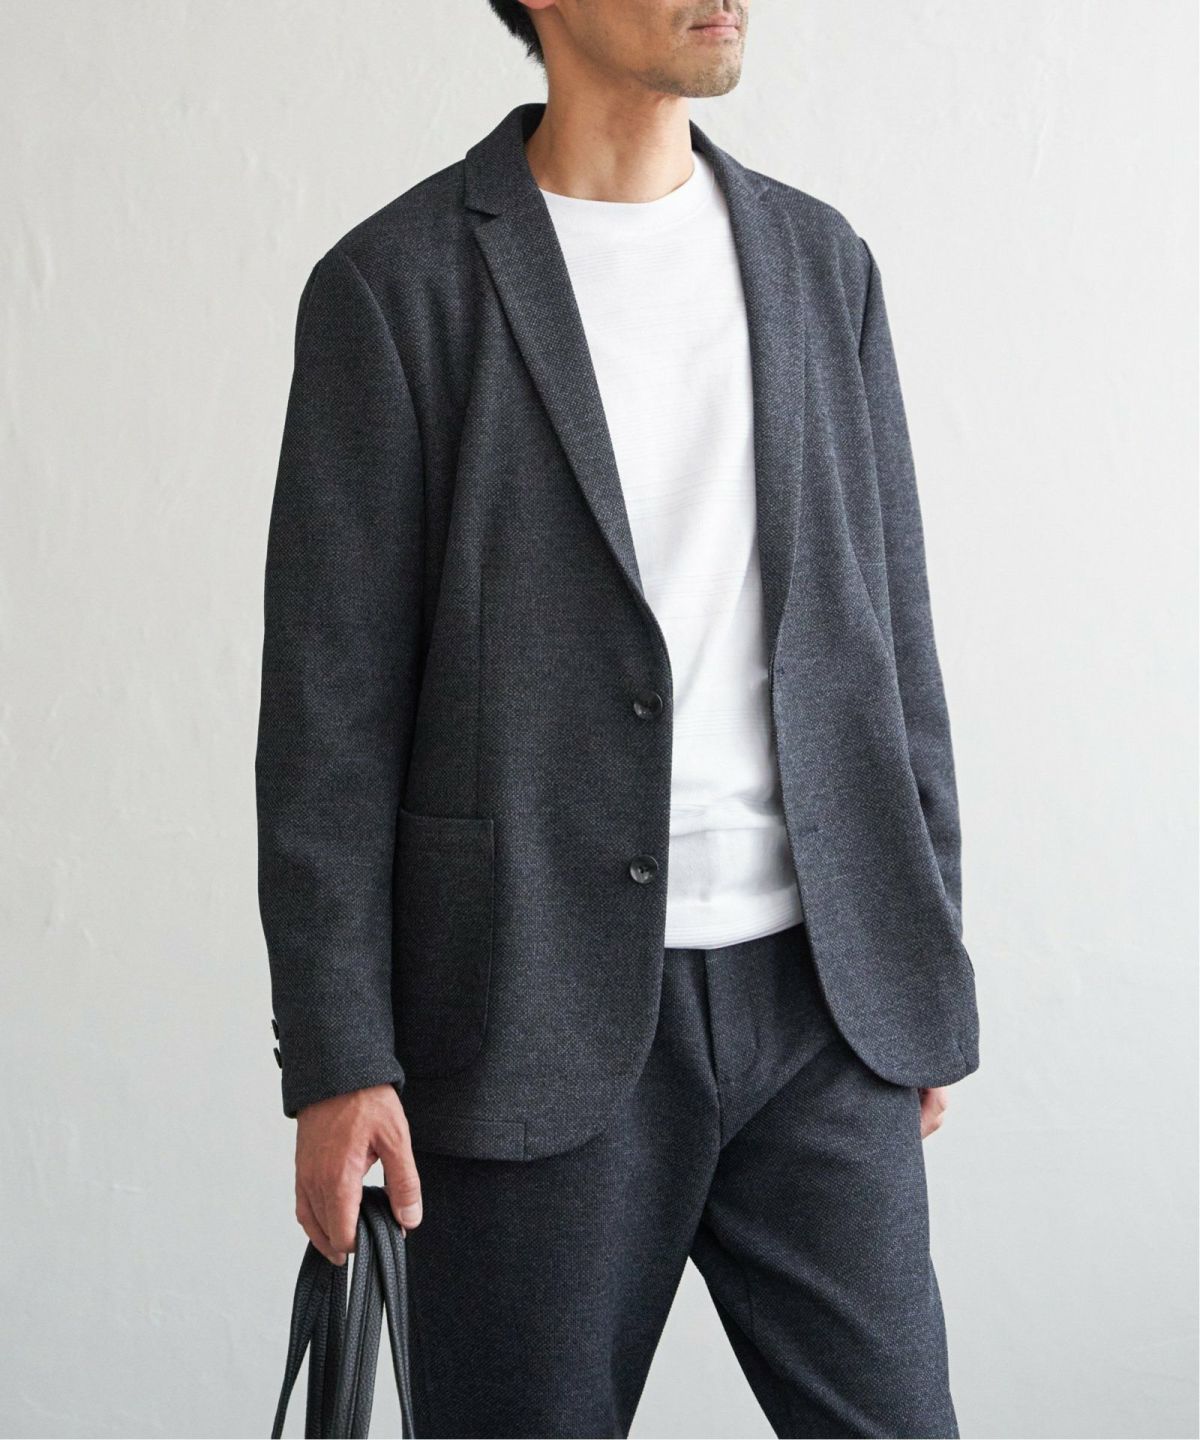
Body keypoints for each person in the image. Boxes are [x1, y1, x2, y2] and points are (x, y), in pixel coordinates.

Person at [254, 2, 980, 1435]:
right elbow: (327, 719)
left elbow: (892, 641)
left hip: (820, 1006)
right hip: (522, 1016)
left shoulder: (820, 265)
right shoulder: (396, 288)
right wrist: (339, 1054)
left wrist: (919, 956)